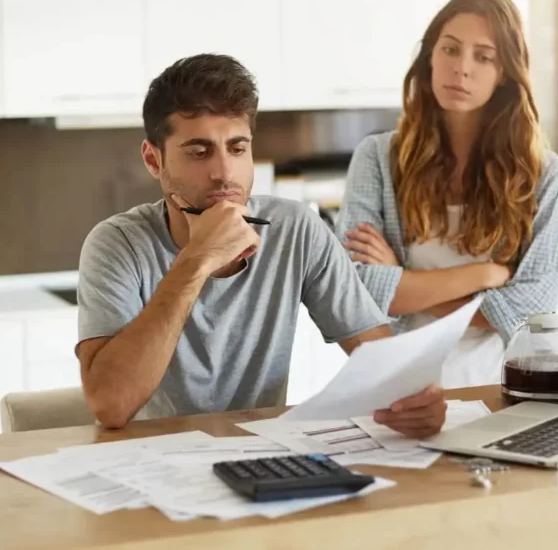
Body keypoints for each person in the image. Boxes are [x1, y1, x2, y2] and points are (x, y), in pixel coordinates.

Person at [74, 53, 447, 436]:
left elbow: (381, 360)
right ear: (154, 160)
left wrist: (416, 400)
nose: (224, 173)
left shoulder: (296, 229)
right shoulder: (116, 244)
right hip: (148, 463)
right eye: (199, 152)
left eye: (237, 149)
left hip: (260, 456)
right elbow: (111, 405)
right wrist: (196, 261)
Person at [337, 0, 558, 389]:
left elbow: (529, 314)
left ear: (505, 75)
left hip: (500, 387)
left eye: (483, 57)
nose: (461, 68)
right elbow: (355, 291)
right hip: (398, 385)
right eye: (450, 49)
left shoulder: (543, 176)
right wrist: (485, 274)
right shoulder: (376, 158)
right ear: (430, 56)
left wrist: (400, 279)